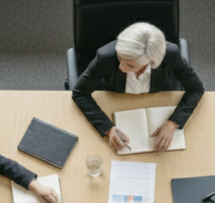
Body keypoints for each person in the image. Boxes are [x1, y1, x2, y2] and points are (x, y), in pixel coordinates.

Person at [72, 22, 205, 153]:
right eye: (120, 58)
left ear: (151, 62)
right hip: (115, 100)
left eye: (130, 66)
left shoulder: (171, 55)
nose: (121, 67)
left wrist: (173, 123)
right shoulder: (106, 56)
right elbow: (79, 92)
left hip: (158, 99)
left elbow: (196, 88)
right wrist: (108, 129)